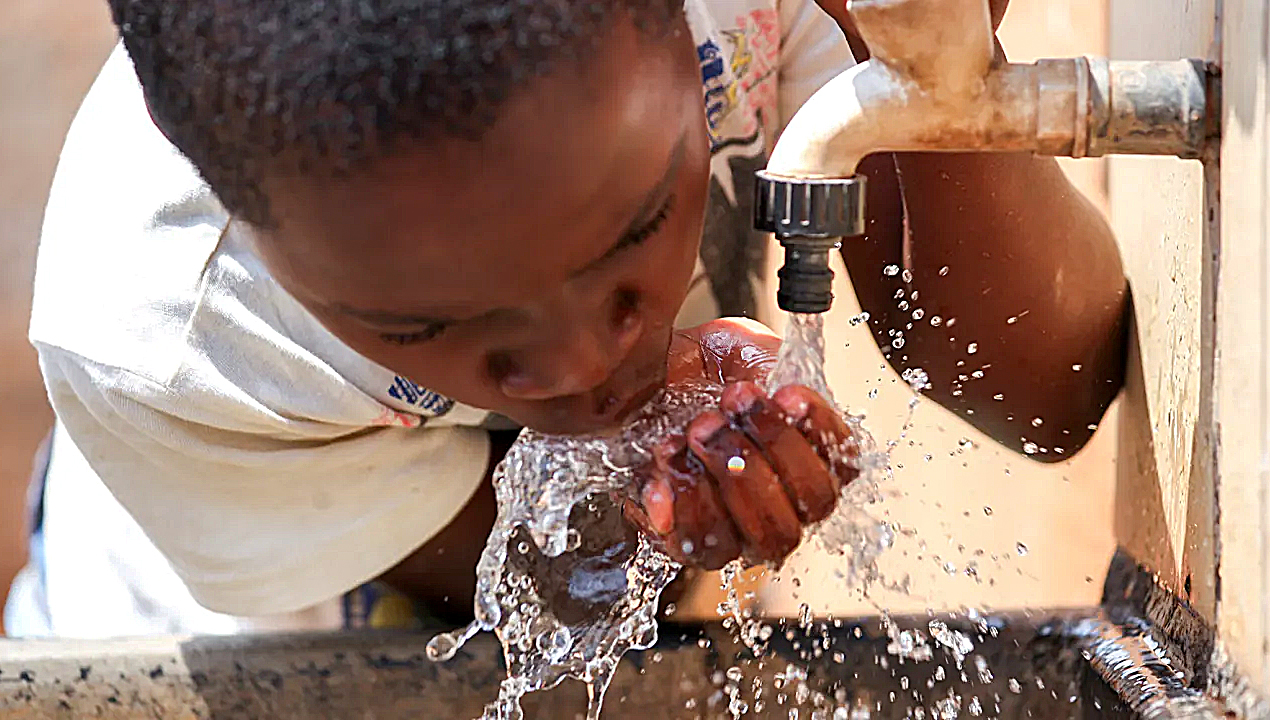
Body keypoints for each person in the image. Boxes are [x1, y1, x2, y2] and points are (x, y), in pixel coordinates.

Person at [3, 0, 1125, 637]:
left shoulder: (747, 11)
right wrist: (650, 503)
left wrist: (931, 66)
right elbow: (543, 598)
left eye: (635, 231)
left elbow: (1048, 393)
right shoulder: (166, 343)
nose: (595, 360)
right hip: (210, 664)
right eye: (420, 329)